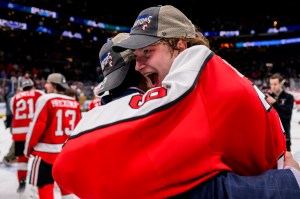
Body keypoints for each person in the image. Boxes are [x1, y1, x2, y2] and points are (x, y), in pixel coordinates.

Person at [53, 7, 299, 198]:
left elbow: (202, 191)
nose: (139, 65)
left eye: (147, 52)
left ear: (181, 44)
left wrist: (289, 184)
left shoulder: (198, 68)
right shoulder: (210, 82)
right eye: (136, 58)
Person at [24, 73, 82, 199]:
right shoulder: (74, 102)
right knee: (66, 189)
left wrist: (28, 148)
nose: (45, 85)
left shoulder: (46, 99)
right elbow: (78, 129)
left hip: (45, 154)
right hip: (65, 154)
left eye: (47, 82)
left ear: (54, 85)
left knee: (45, 187)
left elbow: (37, 126)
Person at [9, 78, 45, 193]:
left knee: (21, 159)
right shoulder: (39, 93)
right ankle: (39, 184)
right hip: (34, 131)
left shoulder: (14, 98)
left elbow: (13, 111)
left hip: (19, 133)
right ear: (33, 86)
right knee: (39, 158)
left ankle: (22, 181)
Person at [265, 73, 294, 151]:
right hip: (270, 137)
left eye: (275, 84)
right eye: (271, 84)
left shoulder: (289, 97)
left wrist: (274, 103)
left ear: (281, 84)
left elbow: (286, 114)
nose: (273, 87)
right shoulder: (267, 97)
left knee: (287, 162)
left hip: (284, 135)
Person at [2, 86, 22, 166]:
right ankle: (7, 157)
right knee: (17, 142)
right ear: (16, 91)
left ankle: (12, 157)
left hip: (17, 124)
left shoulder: (15, 98)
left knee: (18, 141)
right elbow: (11, 112)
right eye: (20, 91)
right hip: (14, 124)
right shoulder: (12, 98)